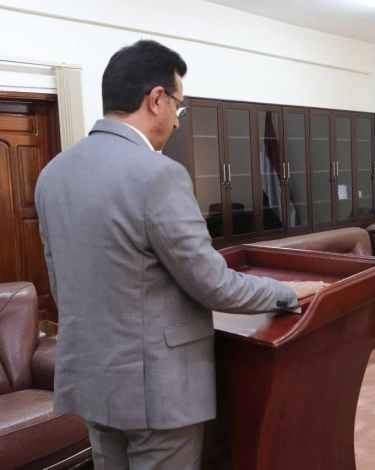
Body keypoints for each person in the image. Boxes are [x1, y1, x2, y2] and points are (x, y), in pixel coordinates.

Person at [35, 40, 315, 469]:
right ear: (156, 99)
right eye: (178, 106)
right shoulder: (158, 174)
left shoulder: (53, 174)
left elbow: (61, 284)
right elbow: (213, 285)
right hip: (156, 391)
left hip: (91, 380)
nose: (178, 120)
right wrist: (288, 292)